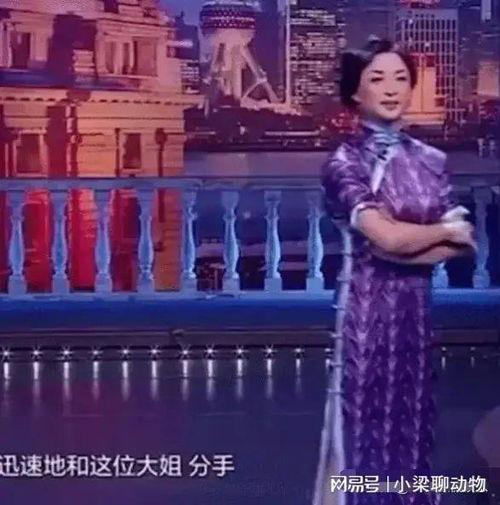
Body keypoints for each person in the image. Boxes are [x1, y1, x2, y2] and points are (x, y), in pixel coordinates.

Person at [312, 37, 477, 505]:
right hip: (364, 315)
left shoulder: (431, 160)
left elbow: (460, 244)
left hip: (415, 315)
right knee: (363, 427)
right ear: (355, 92)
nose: (391, 89)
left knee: (412, 425)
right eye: (377, 79)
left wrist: (406, 243)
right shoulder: (344, 162)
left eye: (401, 78)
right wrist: (434, 233)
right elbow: (387, 239)